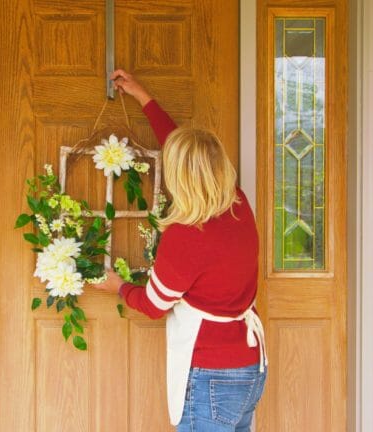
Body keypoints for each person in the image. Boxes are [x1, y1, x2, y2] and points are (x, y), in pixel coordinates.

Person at [90, 69, 267, 432]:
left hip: (211, 376)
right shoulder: (237, 203)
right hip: (249, 369)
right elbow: (185, 152)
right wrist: (142, 96)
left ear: (179, 175)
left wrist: (119, 287)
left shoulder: (187, 235)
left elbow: (154, 305)